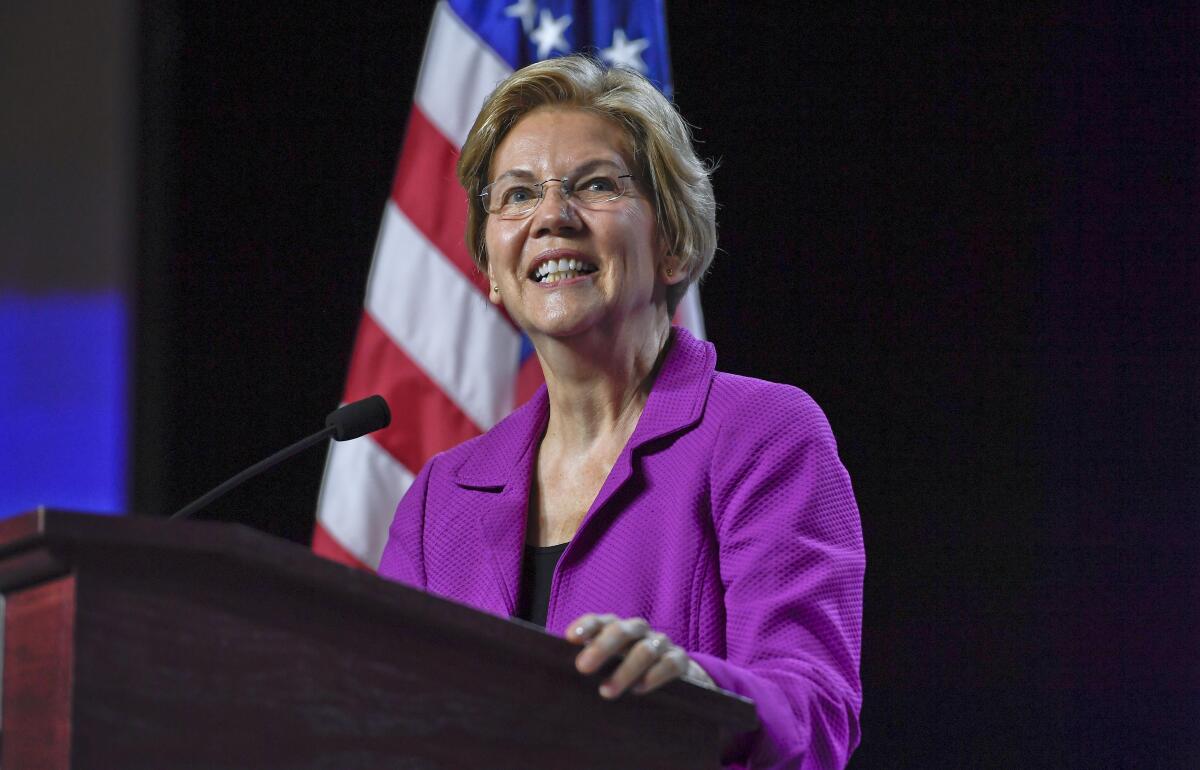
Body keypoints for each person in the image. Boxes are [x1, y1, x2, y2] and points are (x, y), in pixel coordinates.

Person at [378, 54, 864, 769]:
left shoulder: (764, 435)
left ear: (671, 244)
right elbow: (379, 721)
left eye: (596, 185)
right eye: (516, 195)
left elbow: (816, 713)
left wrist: (693, 688)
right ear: (490, 270)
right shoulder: (438, 501)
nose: (551, 216)